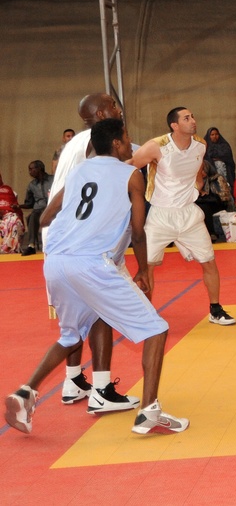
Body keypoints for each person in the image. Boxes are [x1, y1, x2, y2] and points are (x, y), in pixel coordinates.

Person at [4, 118, 188, 437]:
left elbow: (46, 216)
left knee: (70, 335)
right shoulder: (131, 175)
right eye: (126, 137)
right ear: (116, 144)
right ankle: (149, 412)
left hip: (57, 261)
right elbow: (138, 231)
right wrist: (143, 270)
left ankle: (25, 393)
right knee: (156, 330)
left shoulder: (79, 170)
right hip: (92, 264)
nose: (130, 142)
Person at [46, 92, 133, 411]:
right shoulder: (96, 144)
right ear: (99, 115)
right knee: (100, 314)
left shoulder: (74, 143)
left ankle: (72, 380)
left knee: (76, 316)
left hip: (59, 240)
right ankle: (102, 390)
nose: (118, 108)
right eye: (112, 105)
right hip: (78, 241)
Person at [130, 107, 236, 326]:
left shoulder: (201, 144)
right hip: (160, 215)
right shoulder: (156, 146)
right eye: (186, 118)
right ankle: (148, 315)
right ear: (174, 126)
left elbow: (198, 169)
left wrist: (197, 185)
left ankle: (215, 310)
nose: (193, 121)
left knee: (209, 262)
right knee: (147, 266)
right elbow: (128, 167)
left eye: (193, 116)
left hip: (189, 214)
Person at [19, 160, 53, 256]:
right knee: (32, 216)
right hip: (39, 210)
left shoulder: (53, 179)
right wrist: (19, 206)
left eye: (31, 169)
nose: (29, 172)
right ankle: (31, 246)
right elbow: (29, 203)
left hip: (52, 208)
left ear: (39, 168)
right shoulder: (31, 185)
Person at [195, 160, 233, 241]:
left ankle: (211, 233)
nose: (200, 172)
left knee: (205, 207)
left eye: (202, 170)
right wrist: (200, 192)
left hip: (218, 203)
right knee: (201, 206)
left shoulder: (218, 178)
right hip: (203, 202)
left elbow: (225, 197)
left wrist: (209, 194)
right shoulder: (197, 181)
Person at [0, 170, 25, 254]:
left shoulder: (7, 189)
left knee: (13, 220)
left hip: (8, 214)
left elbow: (14, 204)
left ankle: (10, 249)